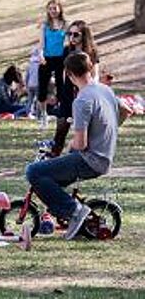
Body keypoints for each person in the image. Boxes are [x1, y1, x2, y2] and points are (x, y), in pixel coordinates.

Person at [26, 52, 119, 240]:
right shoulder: (105, 90)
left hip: (90, 160)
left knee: (34, 172)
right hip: (105, 155)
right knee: (50, 180)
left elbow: (81, 144)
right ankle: (75, 219)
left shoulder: (82, 100)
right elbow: (124, 111)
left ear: (68, 75)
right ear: (91, 67)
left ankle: (75, 211)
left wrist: (71, 144)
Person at [52, 20, 99, 156]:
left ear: (84, 35)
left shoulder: (91, 52)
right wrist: (59, 93)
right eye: (69, 34)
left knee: (85, 131)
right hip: (67, 96)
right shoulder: (67, 50)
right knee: (61, 129)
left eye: (76, 34)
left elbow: (95, 75)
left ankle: (84, 158)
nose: (72, 38)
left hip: (85, 96)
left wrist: (89, 92)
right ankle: (53, 158)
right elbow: (62, 73)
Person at [38, 0, 67, 129]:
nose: (52, 11)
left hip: (60, 59)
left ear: (60, 9)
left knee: (61, 87)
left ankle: (62, 114)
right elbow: (41, 43)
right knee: (42, 87)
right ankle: (43, 115)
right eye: (50, 9)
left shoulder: (65, 24)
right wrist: (41, 54)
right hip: (47, 58)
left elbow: (68, 41)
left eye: (55, 8)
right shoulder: (45, 25)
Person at [25, 46, 40, 118]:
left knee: (30, 100)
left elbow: (27, 76)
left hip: (30, 84)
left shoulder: (29, 65)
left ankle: (28, 112)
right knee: (38, 100)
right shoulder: (40, 64)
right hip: (38, 84)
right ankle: (37, 114)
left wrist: (26, 85)